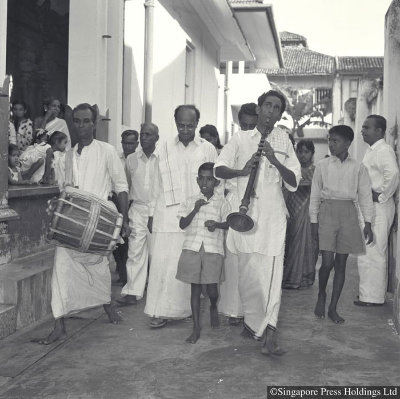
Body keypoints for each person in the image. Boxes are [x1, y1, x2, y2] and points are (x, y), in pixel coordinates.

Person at [33, 103, 130, 345]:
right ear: (73, 123)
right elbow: (65, 190)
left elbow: (121, 187)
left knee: (98, 267)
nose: (82, 126)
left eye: (87, 121)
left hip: (99, 224)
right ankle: (59, 325)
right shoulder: (66, 156)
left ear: (94, 123)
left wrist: (124, 219)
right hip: (72, 225)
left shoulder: (107, 151)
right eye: (77, 121)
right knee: (62, 269)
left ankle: (107, 307)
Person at [215, 90, 301, 355]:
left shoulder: (284, 140)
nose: (271, 112)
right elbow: (219, 169)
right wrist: (241, 171)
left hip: (273, 219)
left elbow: (294, 182)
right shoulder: (240, 139)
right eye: (268, 106)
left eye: (277, 108)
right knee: (249, 277)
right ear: (259, 108)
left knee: (271, 278)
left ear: (279, 114)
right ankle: (254, 324)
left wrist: (275, 159)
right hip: (245, 217)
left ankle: (270, 336)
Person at [144, 104, 218, 328]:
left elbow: (216, 183)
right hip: (166, 216)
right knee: (162, 264)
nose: (185, 129)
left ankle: (184, 310)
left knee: (188, 265)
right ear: (175, 123)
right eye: (181, 125)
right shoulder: (163, 147)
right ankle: (158, 312)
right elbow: (154, 184)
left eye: (190, 125)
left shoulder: (207, 149)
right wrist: (150, 214)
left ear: (197, 123)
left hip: (195, 216)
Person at [310, 125, 374, 324]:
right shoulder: (322, 165)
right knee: (327, 262)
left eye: (335, 140)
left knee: (341, 264)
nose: (331, 144)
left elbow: (364, 196)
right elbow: (314, 194)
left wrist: (368, 222)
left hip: (348, 214)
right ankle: (321, 294)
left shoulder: (358, 167)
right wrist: (314, 220)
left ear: (348, 143)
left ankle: (333, 308)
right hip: (327, 212)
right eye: (330, 140)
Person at [176, 162, 229, 343]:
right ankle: (196, 327)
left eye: (209, 179)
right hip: (192, 248)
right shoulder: (191, 200)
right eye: (202, 179)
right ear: (197, 180)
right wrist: (195, 209)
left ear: (216, 182)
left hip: (213, 250)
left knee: (212, 290)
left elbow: (228, 224)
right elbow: (182, 224)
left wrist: (217, 225)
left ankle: (213, 305)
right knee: (195, 289)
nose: (205, 183)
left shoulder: (222, 202)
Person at [355, 115, 399, 306]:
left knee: (374, 251)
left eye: (366, 127)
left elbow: (394, 174)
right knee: (366, 251)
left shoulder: (384, 150)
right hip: (369, 207)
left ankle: (373, 298)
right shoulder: (371, 150)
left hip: (379, 208)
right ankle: (367, 294)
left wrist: (381, 196)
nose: (362, 131)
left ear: (379, 131)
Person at [117, 123, 159, 306]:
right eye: (142, 134)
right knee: (135, 251)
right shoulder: (131, 159)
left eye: (148, 134)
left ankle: (159, 292)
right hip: (137, 210)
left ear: (157, 137)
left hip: (159, 211)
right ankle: (132, 291)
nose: (144, 138)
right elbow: (124, 187)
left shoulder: (163, 158)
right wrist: (124, 217)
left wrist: (154, 213)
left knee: (157, 254)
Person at [283, 139, 318, 289]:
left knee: (308, 244)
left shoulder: (317, 170)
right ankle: (291, 277)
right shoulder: (293, 169)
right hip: (292, 210)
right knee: (291, 243)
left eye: (306, 152)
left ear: (312, 154)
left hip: (308, 212)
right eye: (300, 152)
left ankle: (304, 277)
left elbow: (319, 189)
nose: (302, 155)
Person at [112, 129, 139, 286]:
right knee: (117, 239)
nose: (127, 146)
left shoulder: (139, 159)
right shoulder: (115, 158)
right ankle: (123, 273)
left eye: (131, 143)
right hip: (117, 201)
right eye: (125, 143)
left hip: (133, 204)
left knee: (130, 242)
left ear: (137, 143)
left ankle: (130, 276)